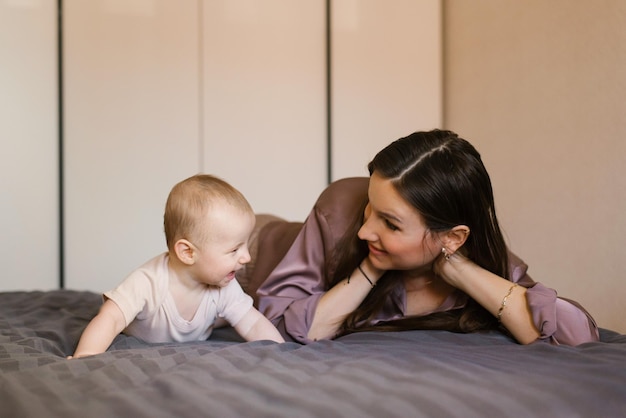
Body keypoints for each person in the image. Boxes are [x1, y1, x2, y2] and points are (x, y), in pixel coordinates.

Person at [257, 130, 599, 346]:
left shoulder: (479, 258)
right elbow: (276, 328)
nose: (364, 231)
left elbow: (577, 336)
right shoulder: (340, 209)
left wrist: (459, 271)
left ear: (453, 237)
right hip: (250, 251)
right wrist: (373, 266)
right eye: (369, 208)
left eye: (390, 223)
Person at [70, 174, 284, 359]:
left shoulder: (224, 285)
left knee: (233, 313)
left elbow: (253, 324)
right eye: (234, 250)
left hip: (202, 322)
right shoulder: (148, 282)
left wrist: (282, 351)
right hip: (142, 327)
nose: (246, 257)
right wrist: (87, 354)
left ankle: (219, 319)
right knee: (113, 312)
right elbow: (111, 318)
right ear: (188, 252)